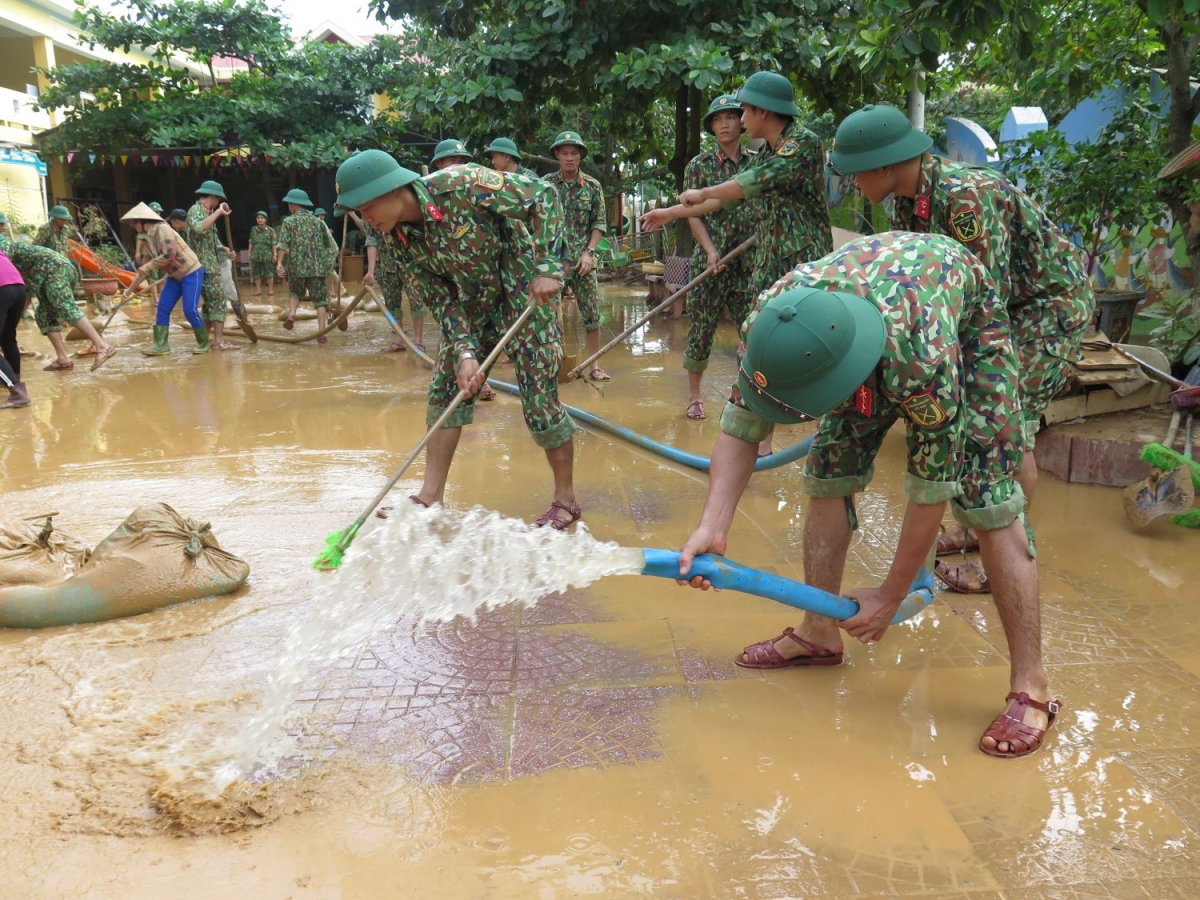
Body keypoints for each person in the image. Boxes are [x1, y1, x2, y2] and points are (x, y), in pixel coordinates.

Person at [677, 231, 1059, 760]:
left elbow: (930, 489)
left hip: (965, 335)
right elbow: (742, 423)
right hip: (864, 324)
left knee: (987, 499)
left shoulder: (920, 358)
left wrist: (891, 593)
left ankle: (1031, 685)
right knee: (829, 467)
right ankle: (819, 633)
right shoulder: (773, 318)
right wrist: (712, 525)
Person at [830, 104, 1095, 592]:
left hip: (1042, 312)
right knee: (985, 421)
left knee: (1004, 426)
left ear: (886, 165)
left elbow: (982, 300)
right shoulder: (912, 199)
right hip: (1006, 305)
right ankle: (976, 530)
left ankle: (1006, 556)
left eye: (853, 174)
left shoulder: (964, 197)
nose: (850, 186)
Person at [333, 149, 581, 526]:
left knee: (539, 398)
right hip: (471, 307)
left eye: (366, 208)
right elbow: (440, 298)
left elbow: (543, 197)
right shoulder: (397, 239)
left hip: (524, 297)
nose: (365, 219)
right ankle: (430, 497)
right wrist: (465, 353)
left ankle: (566, 500)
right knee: (444, 389)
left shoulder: (463, 183)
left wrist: (548, 267)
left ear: (391, 190)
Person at [640, 72, 832, 294]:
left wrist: (703, 192)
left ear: (761, 111)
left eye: (744, 111)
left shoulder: (802, 142)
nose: (741, 120)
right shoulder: (763, 154)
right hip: (768, 266)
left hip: (803, 267)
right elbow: (722, 199)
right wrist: (671, 213)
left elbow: (753, 181)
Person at [677, 94, 757, 421]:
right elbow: (692, 213)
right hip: (709, 264)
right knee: (701, 329)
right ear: (711, 126)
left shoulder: (756, 163)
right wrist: (710, 250)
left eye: (729, 117)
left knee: (753, 331)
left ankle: (747, 394)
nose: (723, 123)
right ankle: (695, 398)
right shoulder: (699, 166)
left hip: (747, 264)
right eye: (716, 119)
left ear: (741, 121)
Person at [545, 130, 610, 381]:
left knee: (592, 315)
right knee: (549, 317)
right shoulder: (547, 185)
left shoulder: (592, 186)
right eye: (564, 153)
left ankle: (594, 365)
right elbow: (538, 219)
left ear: (580, 156)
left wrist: (589, 252)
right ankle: (553, 364)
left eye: (574, 153)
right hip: (554, 263)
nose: (569, 158)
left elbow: (599, 222)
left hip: (583, 262)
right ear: (557, 156)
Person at [0, 234, 118, 371]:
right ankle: (63, 359)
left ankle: (102, 346)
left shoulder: (3, 242)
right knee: (44, 316)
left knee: (65, 307)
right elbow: (25, 295)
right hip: (42, 277)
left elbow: (5, 260)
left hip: (55, 268)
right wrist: (12, 322)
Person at [119, 203, 209, 356]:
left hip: (191, 272)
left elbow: (169, 255)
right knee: (162, 308)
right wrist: (128, 291)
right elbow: (145, 269)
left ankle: (204, 342)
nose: (133, 226)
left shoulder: (163, 229)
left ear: (143, 221)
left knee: (189, 310)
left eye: (134, 223)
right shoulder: (148, 238)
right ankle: (161, 345)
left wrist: (147, 266)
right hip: (174, 276)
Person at [350, 210, 428, 355]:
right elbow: (371, 241)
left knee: (416, 302)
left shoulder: (400, 210)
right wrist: (370, 272)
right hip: (387, 266)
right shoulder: (369, 215)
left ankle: (418, 341)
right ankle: (399, 339)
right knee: (392, 305)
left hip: (409, 264)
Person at [275, 188, 339, 343]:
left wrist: (279, 263)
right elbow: (333, 247)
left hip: (296, 267)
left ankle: (292, 314)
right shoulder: (319, 222)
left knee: (295, 293)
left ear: (292, 205)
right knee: (320, 301)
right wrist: (327, 265)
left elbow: (282, 244)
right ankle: (322, 332)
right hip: (317, 269)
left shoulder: (288, 222)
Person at [186, 180, 238, 350]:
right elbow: (198, 229)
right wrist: (218, 214)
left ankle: (205, 340)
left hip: (210, 263)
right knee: (219, 301)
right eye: (218, 199)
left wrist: (224, 249)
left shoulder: (207, 212)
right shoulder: (196, 210)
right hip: (204, 265)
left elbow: (210, 242)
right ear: (214, 197)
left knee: (210, 303)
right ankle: (218, 341)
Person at [0, 249, 29, 408]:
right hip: (18, 287)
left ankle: (17, 392)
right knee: (7, 338)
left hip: (1, 289)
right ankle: (13, 379)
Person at [248, 210, 277, 297]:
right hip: (256, 254)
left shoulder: (271, 230)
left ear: (266, 219)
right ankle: (258, 290)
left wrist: (275, 254)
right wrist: (249, 252)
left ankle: (270, 290)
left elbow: (274, 243)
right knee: (256, 273)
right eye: (258, 218)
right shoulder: (253, 229)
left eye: (262, 218)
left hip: (267, 255)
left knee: (269, 273)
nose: (260, 219)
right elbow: (251, 241)